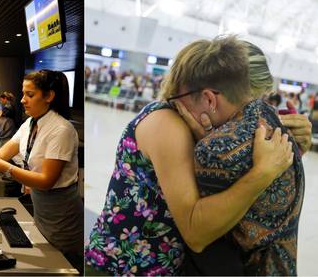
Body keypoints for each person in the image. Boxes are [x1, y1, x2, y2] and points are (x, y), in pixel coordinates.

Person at [85, 37, 300, 275]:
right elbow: (195, 233)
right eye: (242, 109)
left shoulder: (192, 127)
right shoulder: (167, 125)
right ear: (210, 98)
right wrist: (262, 173)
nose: (242, 123)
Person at [163, 37, 304, 275]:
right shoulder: (274, 124)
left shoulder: (216, 150)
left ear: (209, 98)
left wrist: (206, 143)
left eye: (179, 100)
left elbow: (198, 236)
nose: (180, 109)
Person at [0, 70, 83, 273]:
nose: (22, 100)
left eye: (30, 95)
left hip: (62, 213)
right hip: (42, 209)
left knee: (64, 266)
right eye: (23, 94)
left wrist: (6, 168)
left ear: (49, 96)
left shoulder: (61, 130)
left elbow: (47, 180)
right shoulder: (30, 123)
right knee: (46, 262)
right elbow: (2, 153)